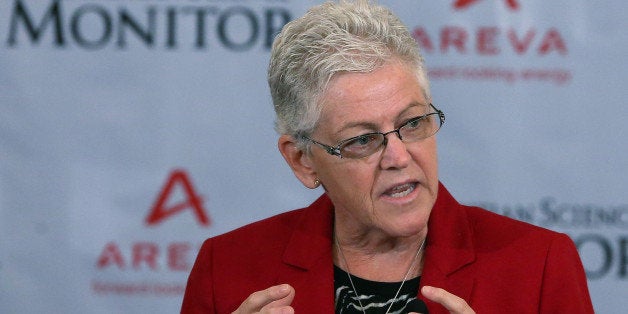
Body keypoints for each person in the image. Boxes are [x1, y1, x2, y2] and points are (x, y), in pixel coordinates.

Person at [181, 1, 594, 313]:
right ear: (303, 160)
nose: (398, 156)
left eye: (413, 123)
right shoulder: (228, 269)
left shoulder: (538, 265)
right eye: (362, 140)